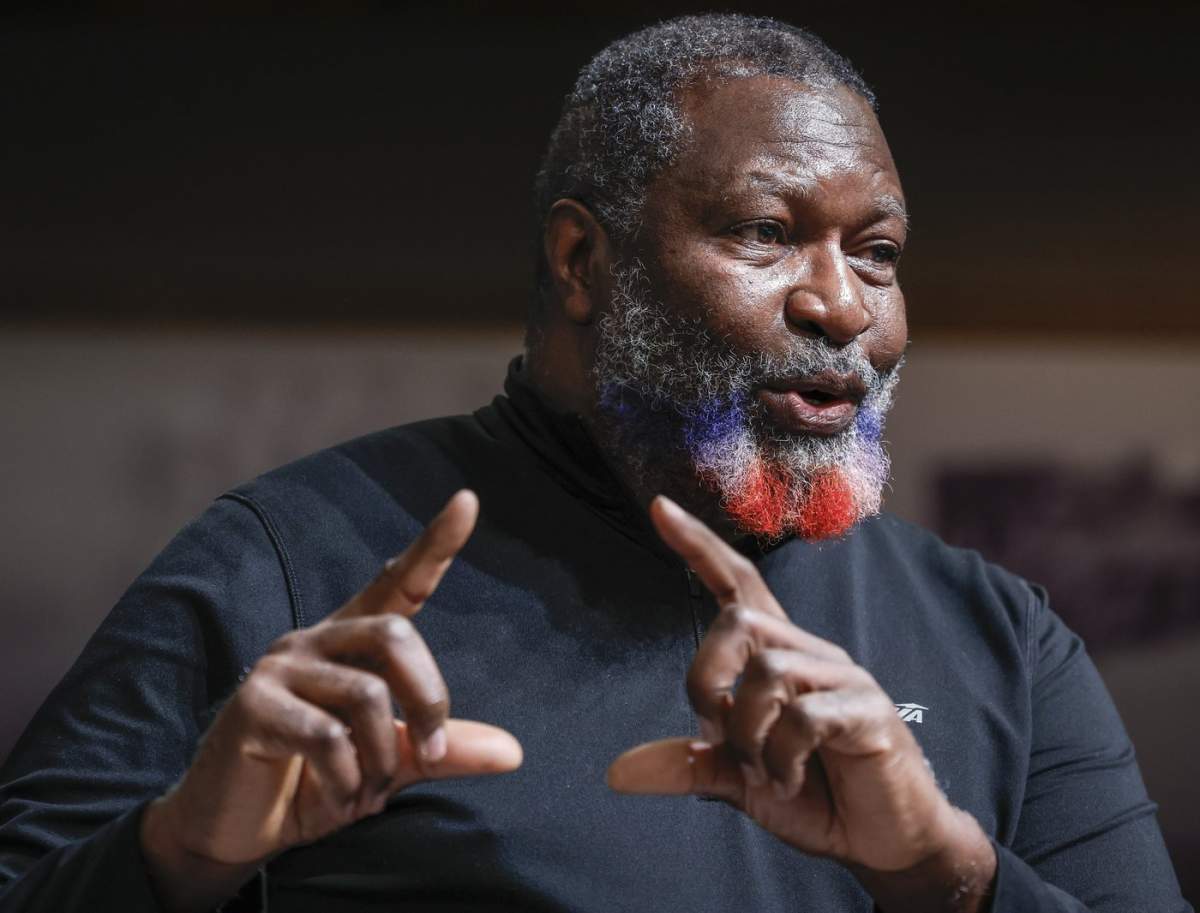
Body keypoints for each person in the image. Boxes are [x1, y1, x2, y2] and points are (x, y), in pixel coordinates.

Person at [0, 13, 1189, 913]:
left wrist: (949, 869)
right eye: (768, 234)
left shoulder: (998, 635)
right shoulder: (287, 568)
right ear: (583, 262)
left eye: (875, 253)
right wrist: (178, 856)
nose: (840, 303)